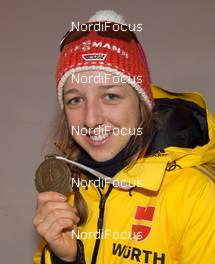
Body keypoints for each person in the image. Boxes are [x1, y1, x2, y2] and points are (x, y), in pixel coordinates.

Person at [33, 10, 215, 264]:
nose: (91, 119)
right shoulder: (68, 193)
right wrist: (67, 258)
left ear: (142, 104)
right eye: (76, 100)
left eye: (110, 96)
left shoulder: (199, 195)